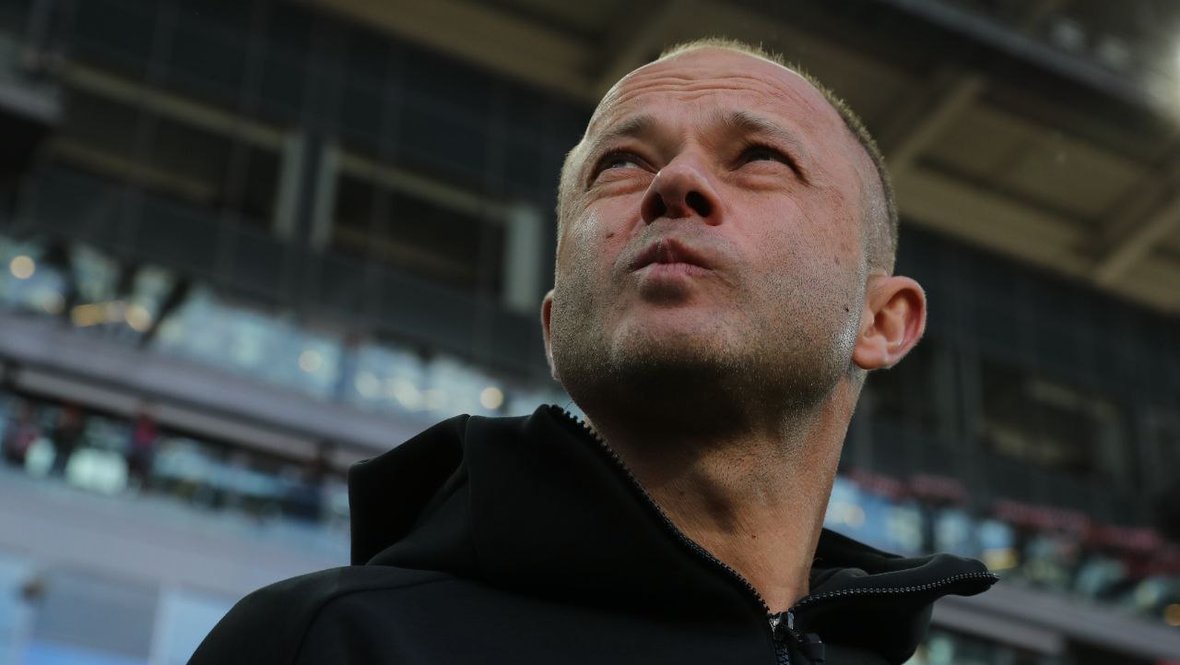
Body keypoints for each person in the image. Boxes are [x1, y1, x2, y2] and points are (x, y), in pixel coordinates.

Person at [190, 38, 995, 665]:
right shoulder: (324, 642)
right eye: (622, 163)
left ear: (882, 321)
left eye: (759, 158)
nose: (673, 182)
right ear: (555, 325)